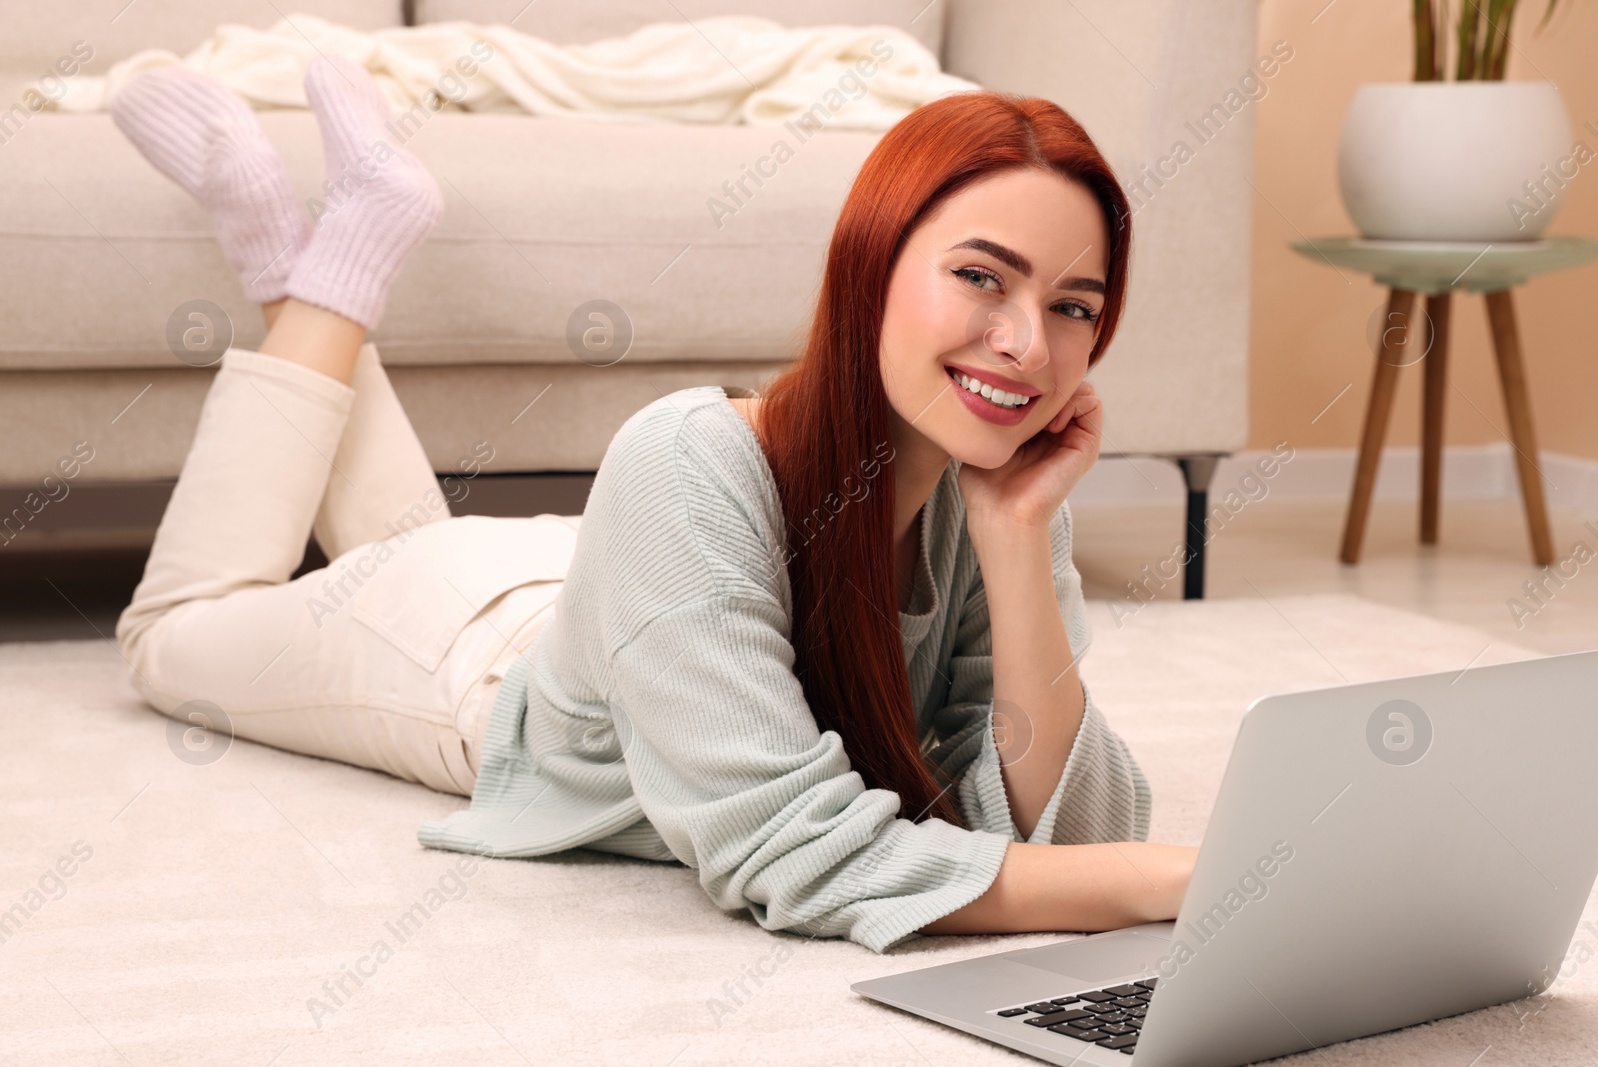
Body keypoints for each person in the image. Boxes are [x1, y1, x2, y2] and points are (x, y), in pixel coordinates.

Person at [111, 55, 1197, 954]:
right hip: (453, 646)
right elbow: (786, 845)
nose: (1025, 344)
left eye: (1071, 305)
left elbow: (1079, 828)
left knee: (408, 538)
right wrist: (1172, 878)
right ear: (871, 261)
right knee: (171, 636)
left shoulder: (1001, 482)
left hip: (630, 587)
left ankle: (325, 249)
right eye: (980, 277)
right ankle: (306, 251)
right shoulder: (685, 457)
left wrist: (1013, 542)